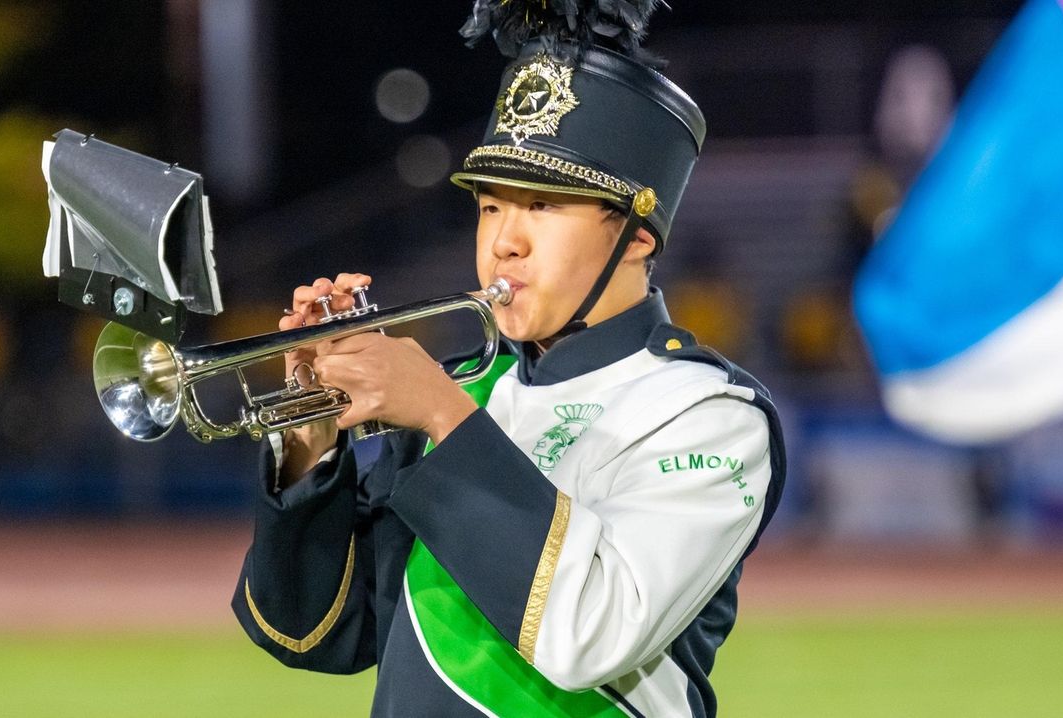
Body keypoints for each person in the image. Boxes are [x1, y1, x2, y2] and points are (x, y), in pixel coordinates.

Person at [231, 2, 786, 716]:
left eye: (544, 207)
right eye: (491, 207)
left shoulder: (707, 416)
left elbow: (591, 636)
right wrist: (309, 446)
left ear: (637, 236)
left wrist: (439, 412)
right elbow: (315, 633)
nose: (504, 242)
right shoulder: (471, 387)